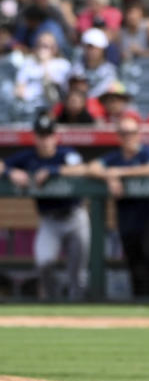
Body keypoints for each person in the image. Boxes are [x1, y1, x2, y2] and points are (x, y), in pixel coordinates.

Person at [0, 115, 89, 299]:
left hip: (75, 217)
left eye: (48, 135)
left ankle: (78, 310)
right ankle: (53, 305)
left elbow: (82, 169)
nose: (45, 140)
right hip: (49, 220)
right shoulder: (28, 156)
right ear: (35, 137)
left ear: (55, 136)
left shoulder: (65, 154)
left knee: (77, 273)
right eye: (41, 135)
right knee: (43, 263)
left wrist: (53, 171)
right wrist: (11, 172)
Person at [87, 117, 149, 296]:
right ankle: (139, 307)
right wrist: (108, 176)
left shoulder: (148, 151)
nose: (128, 137)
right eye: (123, 133)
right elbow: (92, 168)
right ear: (118, 136)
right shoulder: (114, 157)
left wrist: (119, 172)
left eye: (132, 133)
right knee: (134, 265)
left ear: (139, 134)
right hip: (128, 221)